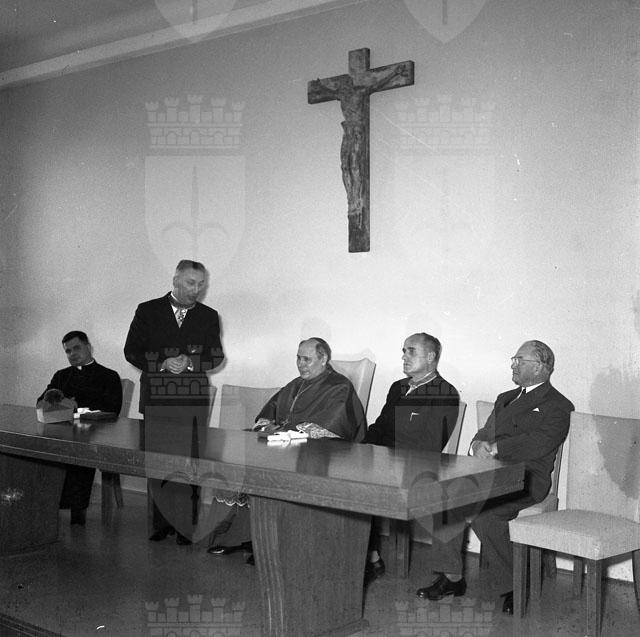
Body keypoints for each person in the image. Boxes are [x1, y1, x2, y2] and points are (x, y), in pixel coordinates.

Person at [415, 340, 574, 615]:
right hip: (491, 473)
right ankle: (451, 577)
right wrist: (477, 445)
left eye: (519, 360)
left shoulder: (558, 404)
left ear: (539, 367)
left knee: (486, 514)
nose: (513, 365)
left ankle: (516, 585)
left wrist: (498, 447)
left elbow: (541, 442)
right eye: (514, 359)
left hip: (527, 478)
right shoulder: (505, 398)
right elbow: (485, 432)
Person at [207, 337, 365, 561]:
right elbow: (270, 411)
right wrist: (268, 426)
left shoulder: (339, 386)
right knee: (238, 455)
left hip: (319, 452)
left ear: (323, 359)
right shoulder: (296, 384)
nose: (301, 364)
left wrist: (284, 430)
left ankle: (271, 544)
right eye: (298, 358)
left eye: (307, 359)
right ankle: (240, 537)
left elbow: (332, 425)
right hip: (284, 444)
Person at [124, 259, 224, 545]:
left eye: (201, 284)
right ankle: (160, 524)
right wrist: (162, 363)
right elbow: (131, 351)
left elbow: (216, 356)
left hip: (192, 402)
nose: (197, 289)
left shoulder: (209, 316)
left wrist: (191, 362)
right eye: (191, 283)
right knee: (158, 464)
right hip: (157, 399)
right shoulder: (147, 310)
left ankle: (185, 528)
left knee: (190, 465)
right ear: (175, 280)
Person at [362, 332, 460, 583]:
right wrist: (360, 449)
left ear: (431, 357)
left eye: (411, 351)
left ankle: (370, 558)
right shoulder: (398, 387)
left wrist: (386, 461)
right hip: (384, 463)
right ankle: (368, 556)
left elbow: (430, 445)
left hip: (416, 468)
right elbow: (380, 426)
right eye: (404, 351)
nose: (404, 357)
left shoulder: (445, 393)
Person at [37, 330, 122, 525]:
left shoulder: (109, 376)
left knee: (79, 450)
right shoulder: (61, 376)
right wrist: (63, 404)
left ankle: (76, 512)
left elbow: (112, 410)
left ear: (88, 347)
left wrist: (74, 408)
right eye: (68, 351)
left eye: (77, 348)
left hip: (94, 434)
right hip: (60, 433)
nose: (72, 354)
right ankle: (43, 508)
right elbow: (42, 401)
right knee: (38, 451)